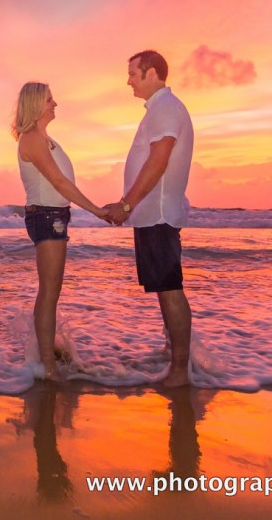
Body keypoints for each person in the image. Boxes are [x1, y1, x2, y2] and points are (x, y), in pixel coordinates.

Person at [104, 50, 195, 387]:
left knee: (170, 289)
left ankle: (181, 371)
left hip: (156, 215)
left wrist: (126, 206)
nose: (128, 80)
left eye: (133, 73)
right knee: (163, 289)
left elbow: (158, 162)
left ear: (151, 73)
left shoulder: (165, 108)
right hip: (151, 216)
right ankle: (174, 359)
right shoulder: (160, 109)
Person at [14, 82, 110, 382]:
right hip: (47, 216)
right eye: (49, 100)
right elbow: (59, 182)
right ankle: (47, 367)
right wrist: (96, 210)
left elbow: (61, 183)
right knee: (49, 293)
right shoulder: (31, 139)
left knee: (51, 292)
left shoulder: (45, 138)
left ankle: (46, 356)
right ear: (35, 105)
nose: (55, 104)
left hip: (55, 216)